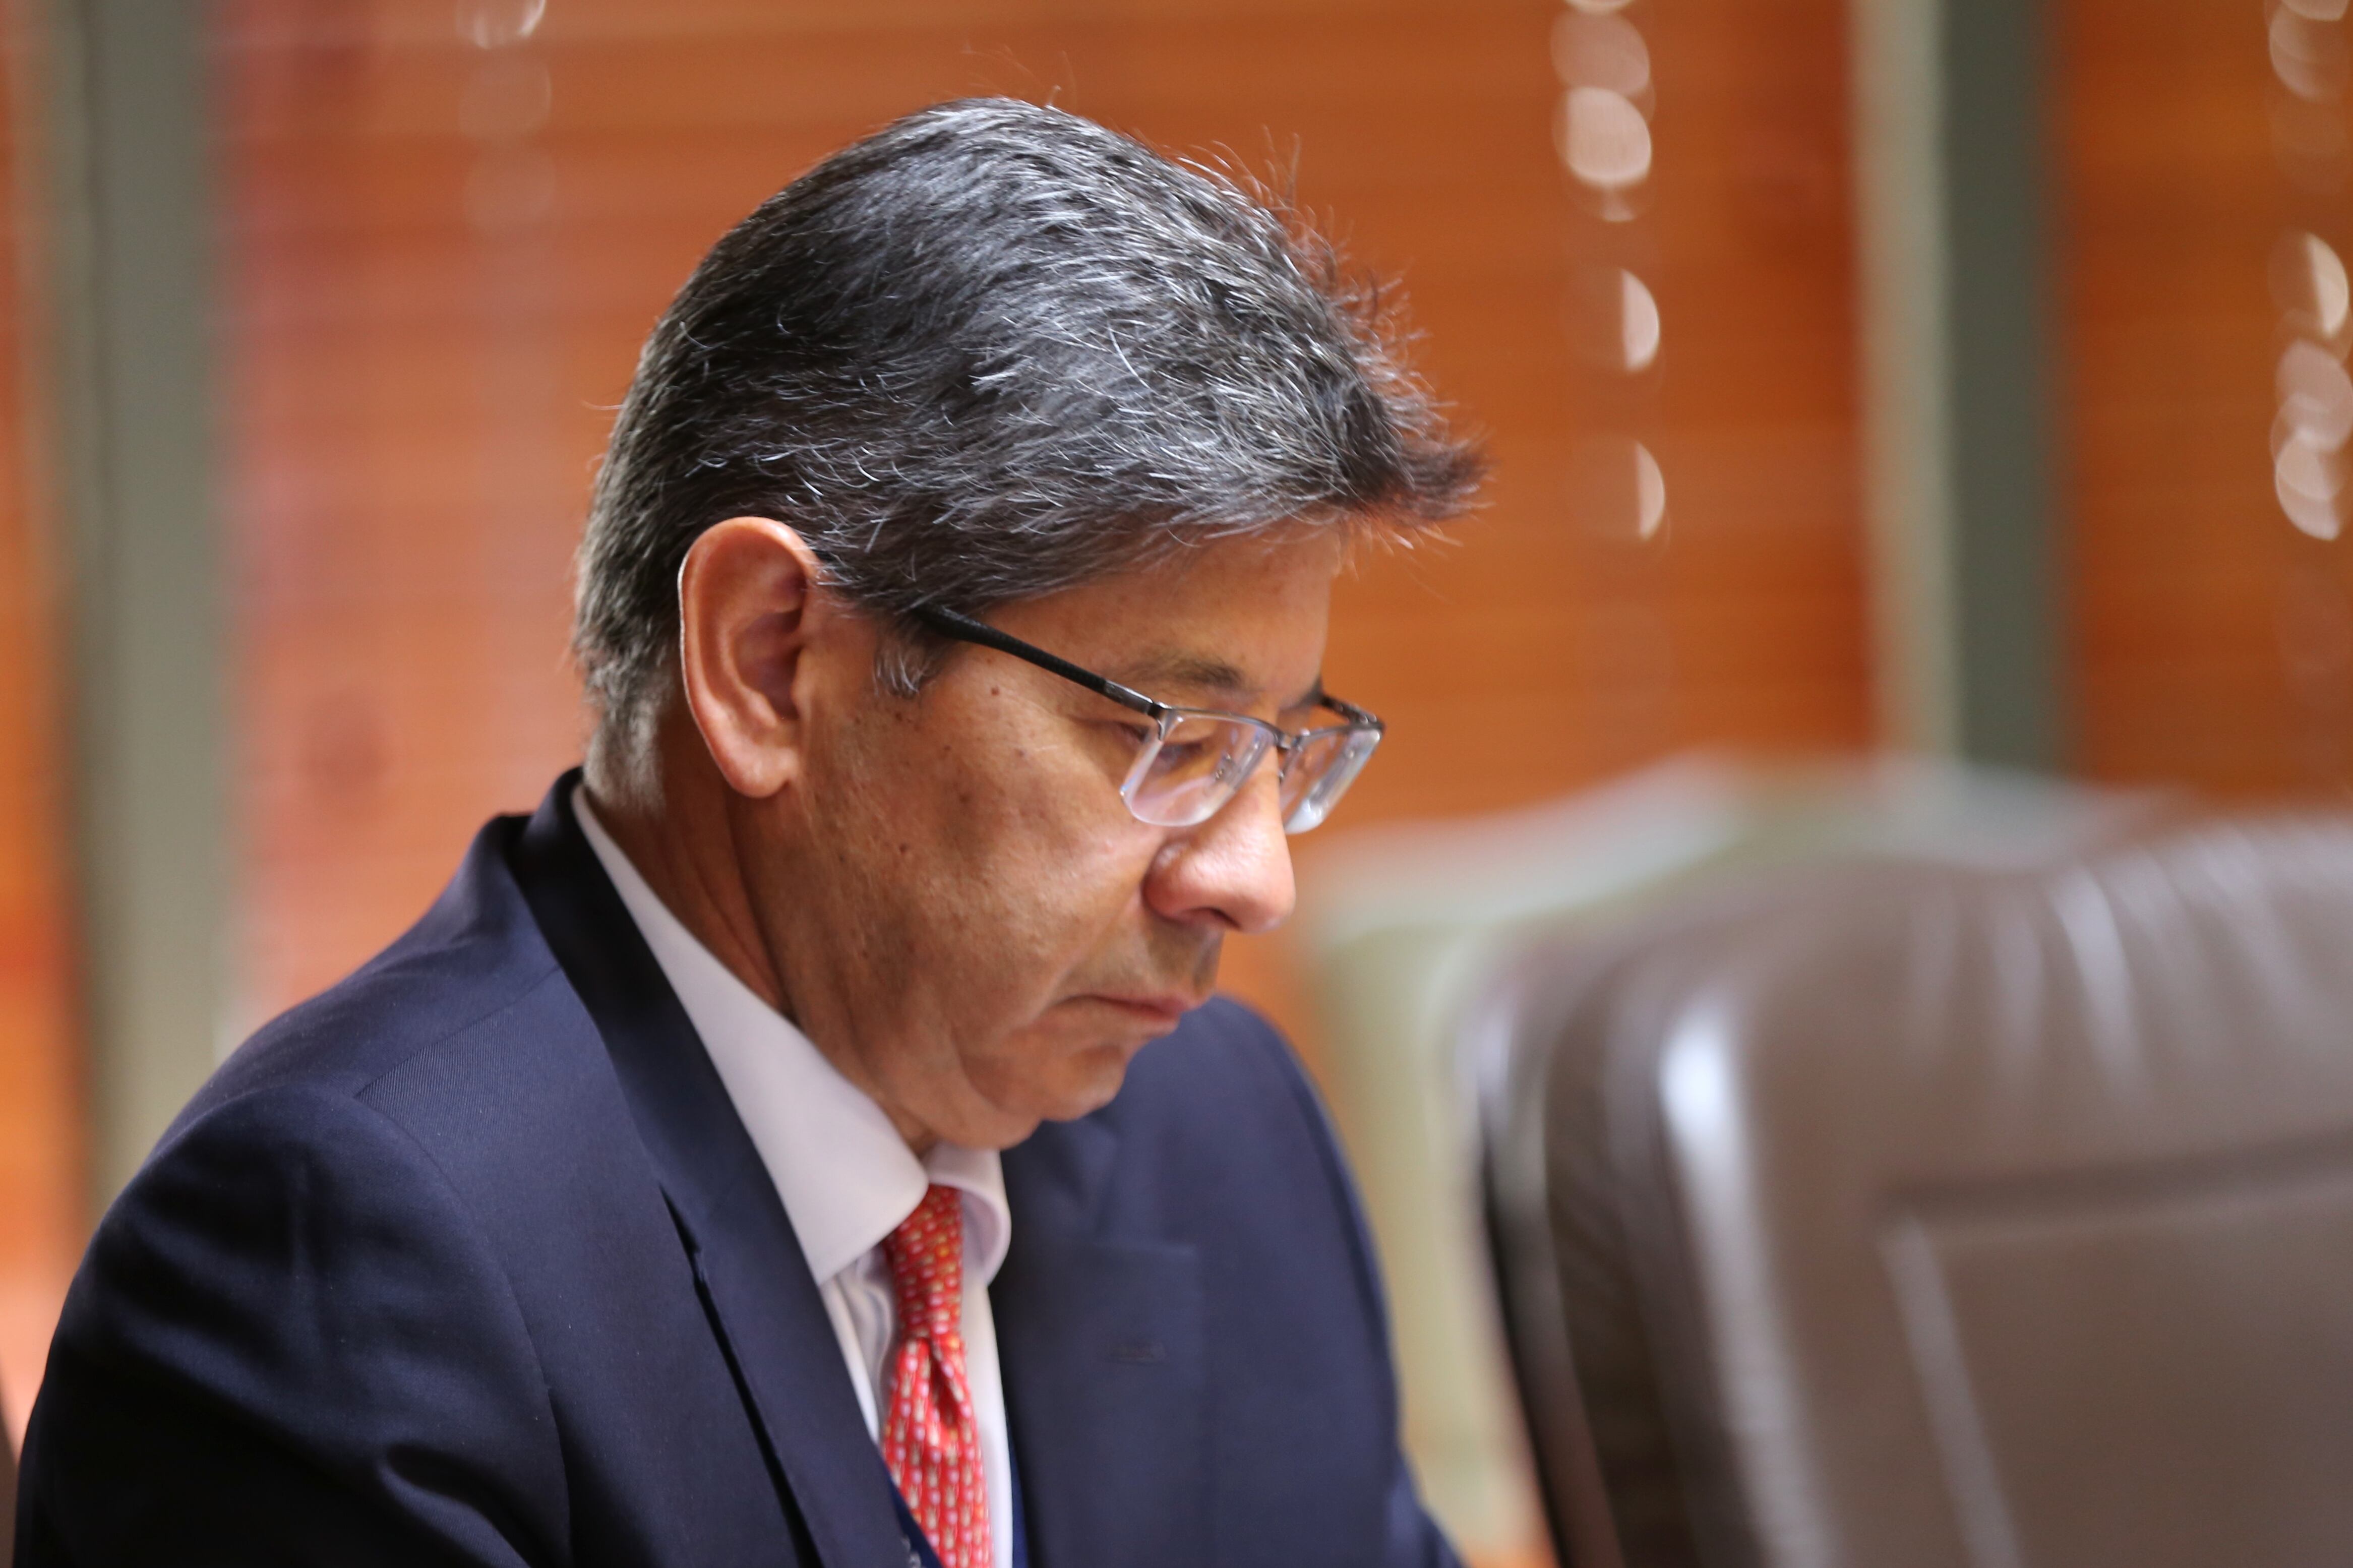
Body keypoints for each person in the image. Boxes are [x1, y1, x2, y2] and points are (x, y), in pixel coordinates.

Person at [16, 97, 1482, 1568]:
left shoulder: (1223, 1132)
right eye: (1164, 730)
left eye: (1277, 750)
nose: (1255, 879)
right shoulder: (342, 1253)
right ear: (770, 662)